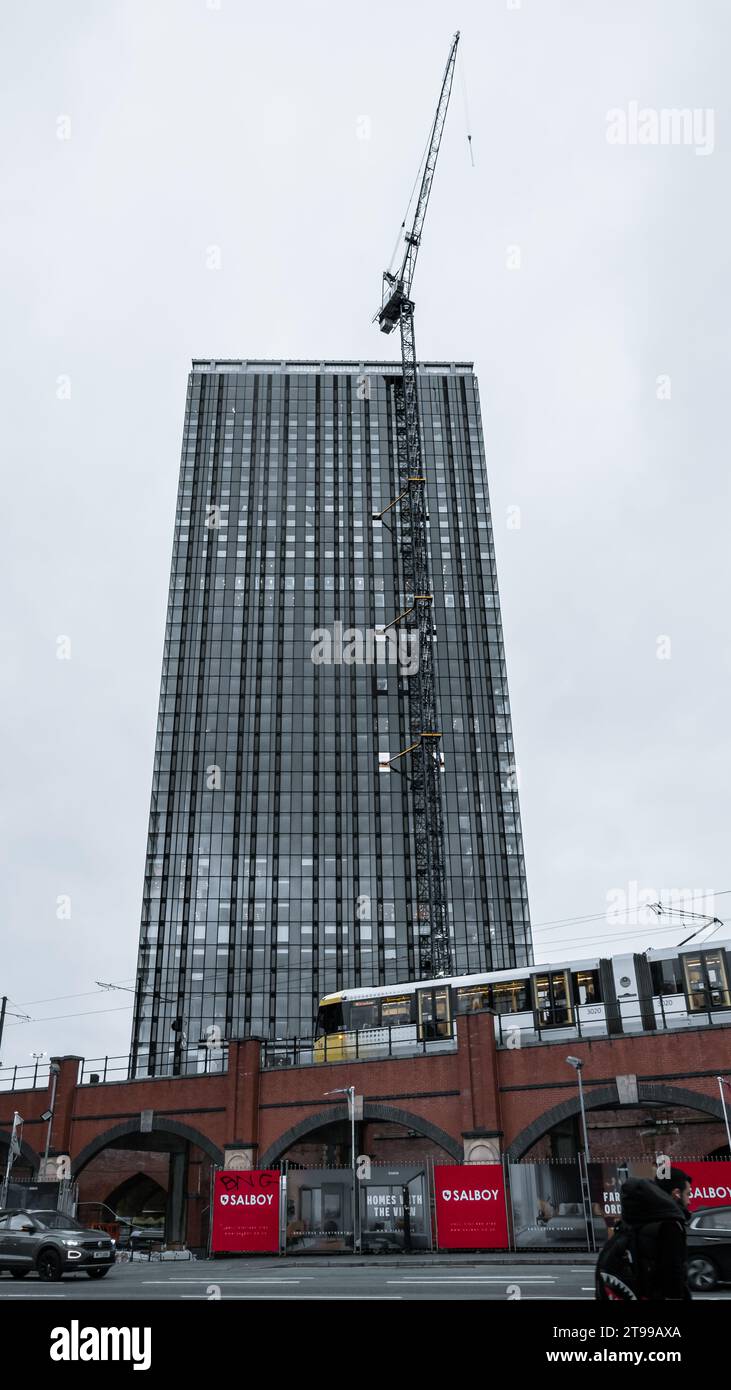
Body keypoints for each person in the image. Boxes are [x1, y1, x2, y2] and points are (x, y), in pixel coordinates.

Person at [619, 1167, 692, 1300]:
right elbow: (673, 1274)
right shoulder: (670, 1225)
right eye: (688, 1194)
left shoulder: (641, 1218)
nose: (689, 1201)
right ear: (676, 1193)